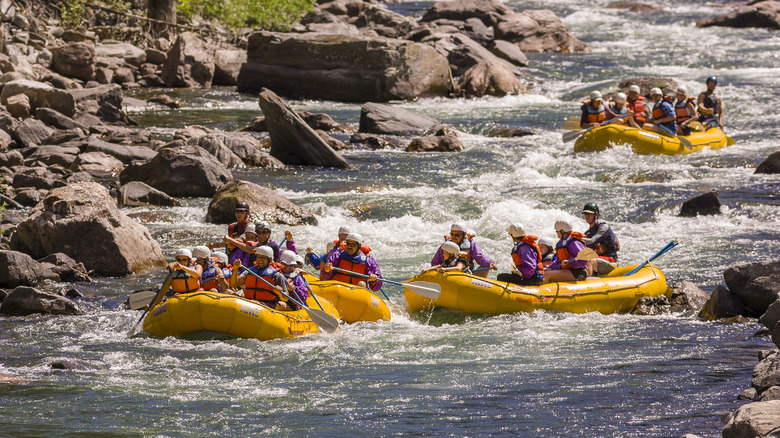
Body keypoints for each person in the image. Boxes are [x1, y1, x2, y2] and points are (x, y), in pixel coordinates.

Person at [231, 245, 291, 310]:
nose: (260, 259)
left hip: (268, 305)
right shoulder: (250, 271)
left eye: (263, 257)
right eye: (258, 257)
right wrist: (235, 269)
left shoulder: (276, 275)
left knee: (251, 302)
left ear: (270, 259)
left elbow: (285, 298)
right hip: (249, 302)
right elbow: (233, 284)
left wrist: (279, 293)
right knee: (228, 292)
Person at [430, 223, 497, 278]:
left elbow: (480, 257)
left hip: (466, 274)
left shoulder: (470, 244)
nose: (453, 237)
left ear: (464, 235)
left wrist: (490, 263)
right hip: (449, 274)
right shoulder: (446, 246)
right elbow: (435, 262)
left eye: (457, 235)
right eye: (452, 234)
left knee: (485, 266)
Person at [223, 221, 297, 264]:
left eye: (264, 232)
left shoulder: (272, 245)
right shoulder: (256, 245)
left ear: (269, 233)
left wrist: (231, 240)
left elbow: (251, 250)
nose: (261, 235)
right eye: (259, 232)